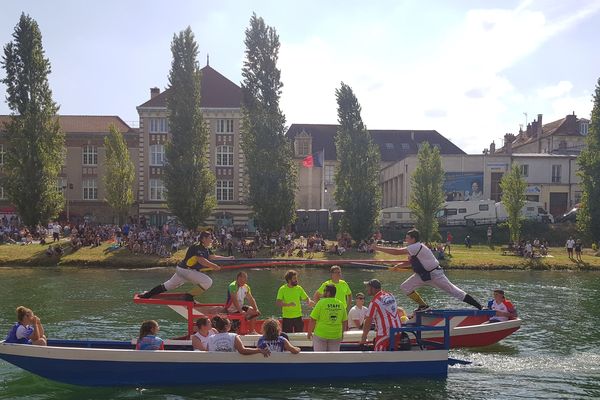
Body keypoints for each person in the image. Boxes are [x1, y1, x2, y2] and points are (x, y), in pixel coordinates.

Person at [374, 228, 483, 311]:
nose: (405, 240)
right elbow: (410, 262)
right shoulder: (413, 248)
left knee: (455, 292)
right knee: (405, 287)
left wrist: (377, 248)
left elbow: (396, 252)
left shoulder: (416, 246)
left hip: (436, 275)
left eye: (407, 238)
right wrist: (399, 266)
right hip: (423, 275)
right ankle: (423, 305)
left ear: (413, 239)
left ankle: (480, 307)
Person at [139, 231, 233, 301]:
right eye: (210, 238)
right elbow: (202, 260)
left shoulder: (205, 248)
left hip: (183, 270)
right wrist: (214, 266)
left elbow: (212, 256)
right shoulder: (197, 247)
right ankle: (188, 296)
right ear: (204, 239)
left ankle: (147, 294)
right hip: (186, 271)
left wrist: (227, 258)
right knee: (208, 282)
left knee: (168, 285)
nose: (211, 240)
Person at [359, 279, 403, 351]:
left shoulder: (374, 302)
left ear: (373, 288)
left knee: (378, 355)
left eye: (368, 287)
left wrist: (363, 339)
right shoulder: (390, 295)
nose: (366, 289)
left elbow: (368, 321)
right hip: (397, 331)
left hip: (386, 334)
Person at [307, 284, 348, 352]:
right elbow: (344, 321)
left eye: (324, 291)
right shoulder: (341, 304)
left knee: (320, 358)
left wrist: (309, 332)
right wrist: (342, 333)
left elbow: (313, 319)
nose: (323, 293)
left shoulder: (321, 303)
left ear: (328, 293)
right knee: (333, 358)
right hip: (336, 335)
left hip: (321, 335)